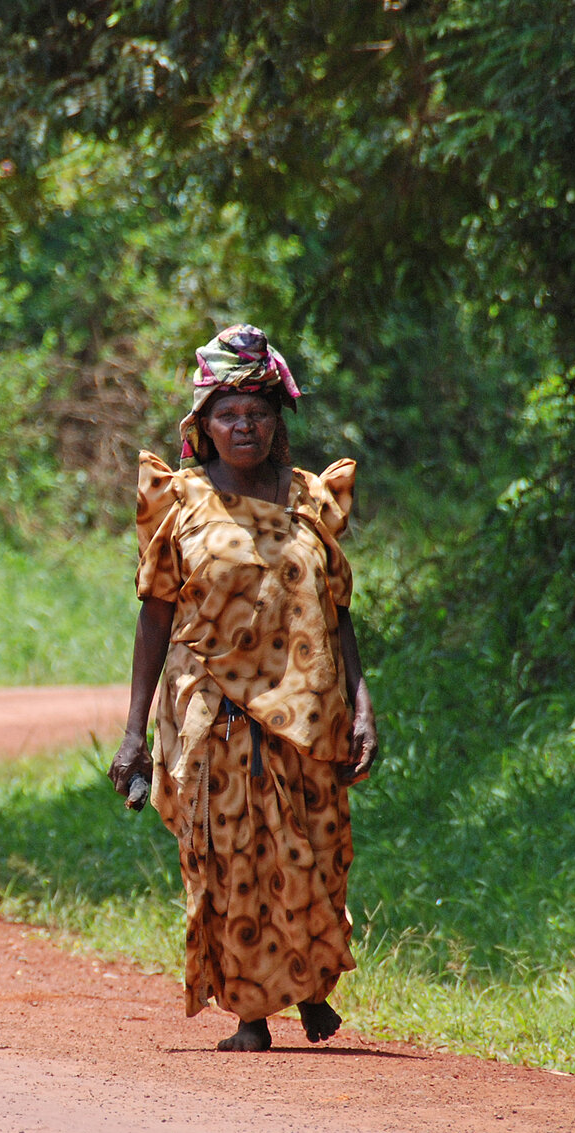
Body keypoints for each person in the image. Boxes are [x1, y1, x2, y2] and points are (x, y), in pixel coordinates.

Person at [107, 325, 378, 1052]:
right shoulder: (182, 501)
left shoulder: (308, 499)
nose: (244, 425)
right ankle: (251, 1013)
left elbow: (338, 609)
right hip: (215, 707)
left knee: (315, 849)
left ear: (277, 420)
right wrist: (134, 735)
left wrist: (362, 705)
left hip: (307, 707)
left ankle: (311, 982)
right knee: (227, 856)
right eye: (228, 413)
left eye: (257, 410)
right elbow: (154, 613)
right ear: (204, 426)